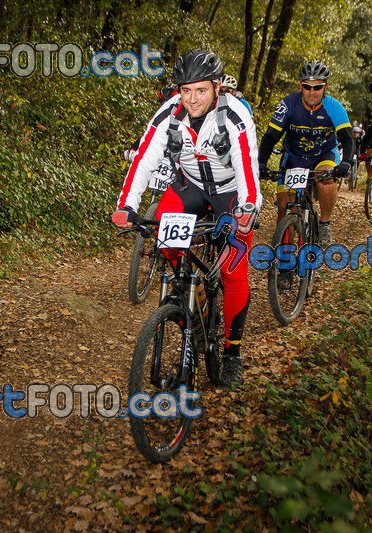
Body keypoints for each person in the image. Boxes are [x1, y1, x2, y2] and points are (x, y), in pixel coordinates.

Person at [112, 49, 261, 388]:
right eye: (185, 90)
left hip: (230, 192)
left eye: (201, 90)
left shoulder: (235, 115)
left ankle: (233, 353)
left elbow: (248, 168)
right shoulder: (169, 113)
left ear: (216, 88)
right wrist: (127, 205)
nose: (192, 99)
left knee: (232, 269)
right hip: (190, 186)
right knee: (165, 239)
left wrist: (247, 209)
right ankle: (191, 301)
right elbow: (144, 159)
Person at [258, 60, 354, 253]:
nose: (312, 91)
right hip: (294, 157)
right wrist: (261, 162)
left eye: (317, 87)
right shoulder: (288, 105)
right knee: (285, 207)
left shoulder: (333, 107)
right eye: (307, 86)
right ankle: (284, 259)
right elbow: (270, 137)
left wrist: (347, 162)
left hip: (323, 155)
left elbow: (347, 137)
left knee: (325, 177)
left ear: (325, 87)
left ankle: (325, 223)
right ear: (300, 85)